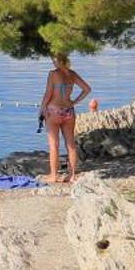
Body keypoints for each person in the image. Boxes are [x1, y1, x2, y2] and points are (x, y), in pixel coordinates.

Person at [38, 53, 92, 184]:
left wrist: (41, 109)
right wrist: (74, 102)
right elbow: (86, 89)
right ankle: (72, 176)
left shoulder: (53, 74)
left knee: (54, 145)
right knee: (70, 144)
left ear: (61, 60)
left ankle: (53, 176)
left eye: (55, 61)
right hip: (69, 111)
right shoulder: (72, 74)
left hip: (53, 111)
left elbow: (48, 94)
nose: (54, 63)